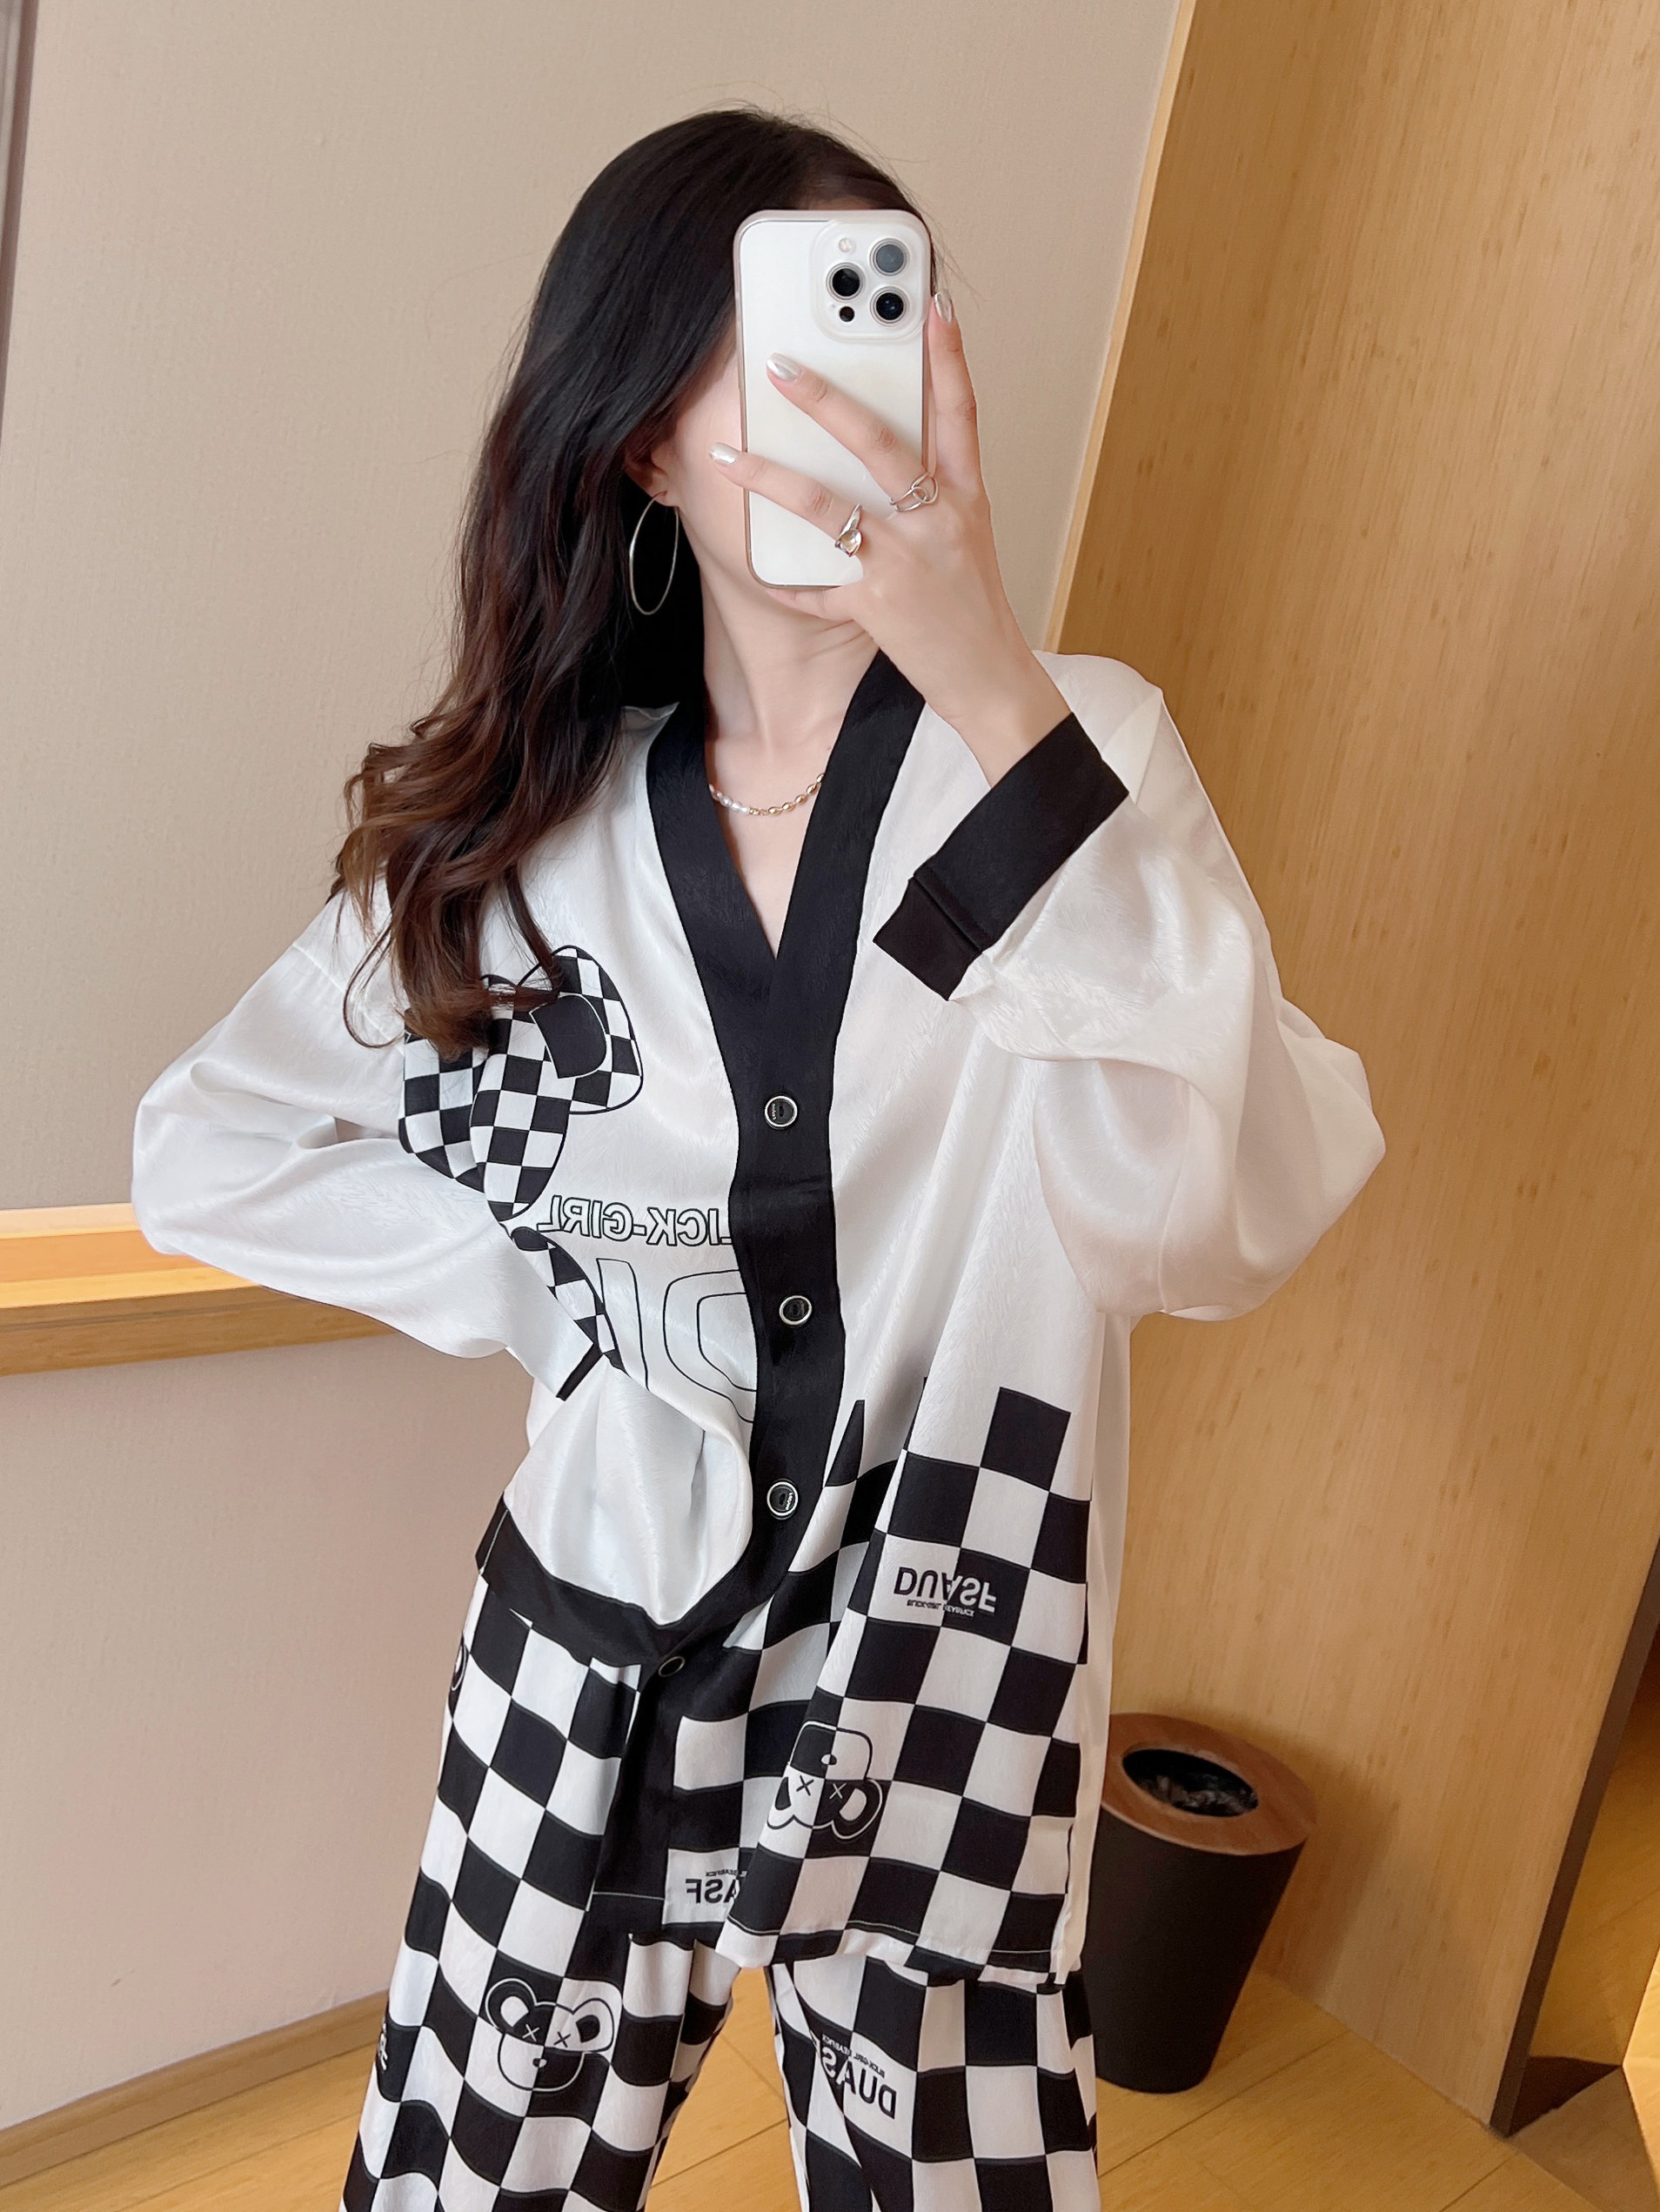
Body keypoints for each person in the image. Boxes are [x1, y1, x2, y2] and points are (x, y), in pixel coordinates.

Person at [131, 104, 1385, 2212]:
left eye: (885, 325)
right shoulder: (539, 844)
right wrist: (565, 1279)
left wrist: (986, 676)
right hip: (591, 1652)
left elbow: (1207, 1216)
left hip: (958, 1658)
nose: (846, 399)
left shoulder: (1073, 755)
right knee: (470, 2180)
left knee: (962, 2186)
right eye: (782, 340)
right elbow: (208, 1145)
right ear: (642, 438)